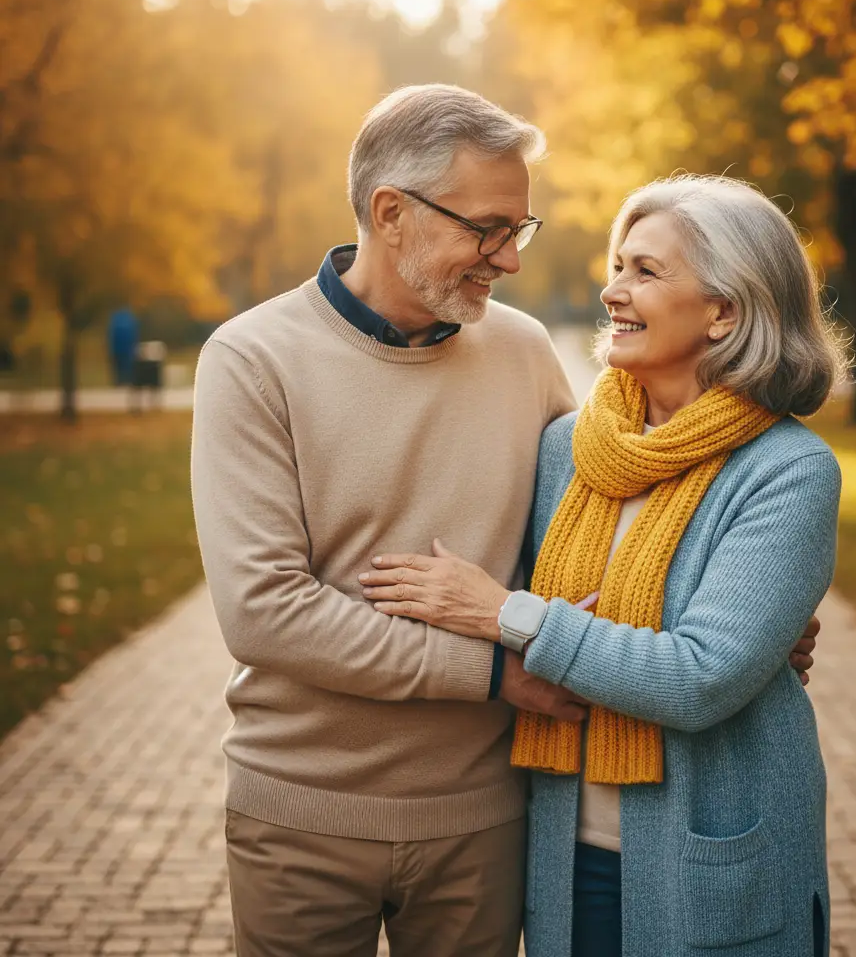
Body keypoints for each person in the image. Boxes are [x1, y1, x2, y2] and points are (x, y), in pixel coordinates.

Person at [191, 85, 820, 957]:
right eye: (486, 228)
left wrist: (742, 622)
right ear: (391, 212)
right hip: (305, 812)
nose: (509, 259)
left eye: (517, 230)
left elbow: (582, 547)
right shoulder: (253, 359)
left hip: (490, 817)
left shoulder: (524, 352)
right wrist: (496, 674)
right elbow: (263, 613)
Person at [359, 174, 847, 957]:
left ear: (725, 310)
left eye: (646, 272)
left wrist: (504, 613)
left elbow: (696, 678)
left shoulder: (787, 470)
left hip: (710, 860)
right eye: (618, 265)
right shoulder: (568, 449)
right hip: (563, 853)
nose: (613, 291)